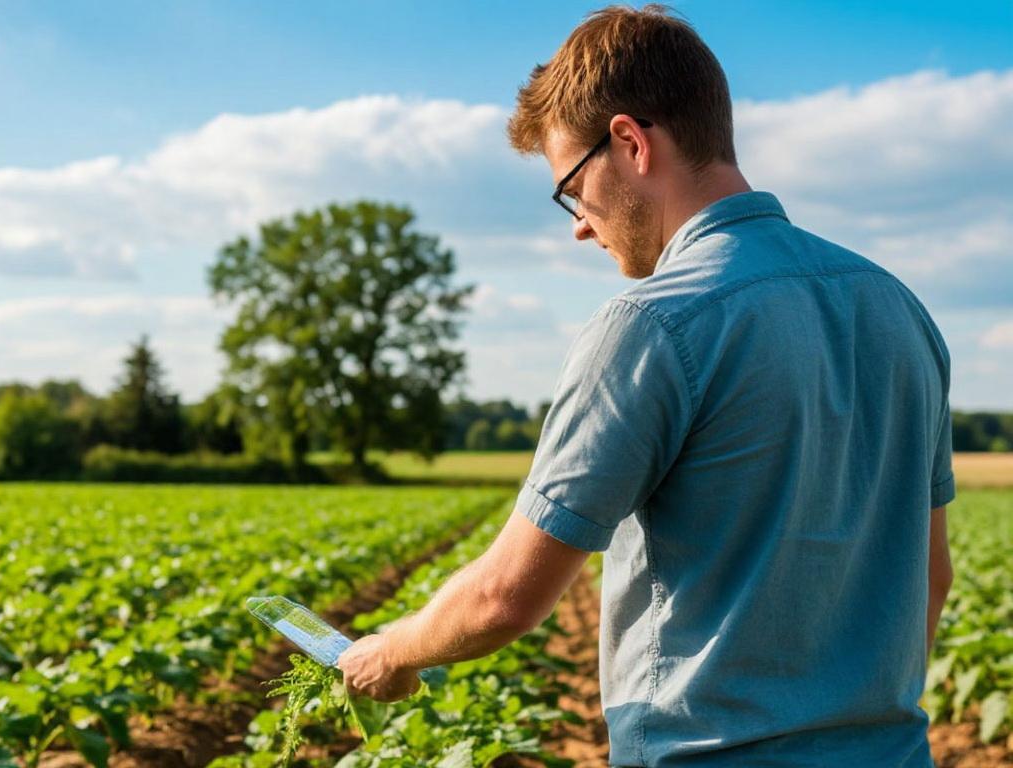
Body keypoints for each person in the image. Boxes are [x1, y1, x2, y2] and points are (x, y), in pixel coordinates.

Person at [338, 5, 956, 766]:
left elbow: (507, 595)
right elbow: (931, 578)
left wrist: (391, 650)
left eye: (571, 185)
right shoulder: (897, 307)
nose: (578, 224)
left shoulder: (651, 325)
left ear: (629, 143)